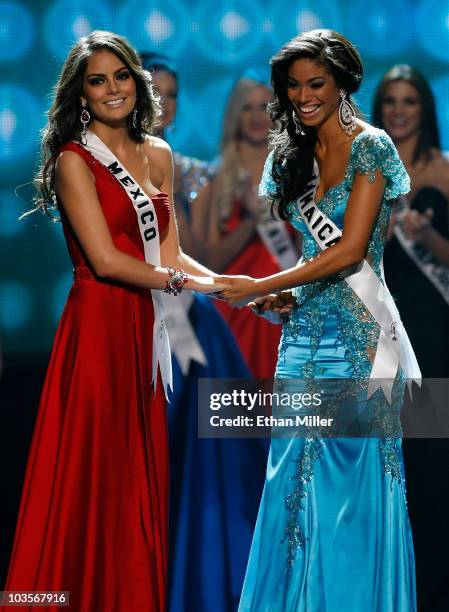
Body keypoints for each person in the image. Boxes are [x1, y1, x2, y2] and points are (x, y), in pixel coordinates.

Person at [2, 31, 224, 612]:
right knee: (87, 475)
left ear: (136, 80)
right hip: (98, 331)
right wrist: (202, 285)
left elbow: (170, 258)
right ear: (81, 94)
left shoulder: (159, 154)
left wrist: (235, 289)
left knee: (132, 477)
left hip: (143, 328)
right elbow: (105, 260)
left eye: (120, 75)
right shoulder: (74, 160)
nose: (112, 89)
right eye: (96, 80)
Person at [219, 30, 421, 611]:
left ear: (342, 84)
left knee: (350, 496)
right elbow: (314, 258)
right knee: (291, 487)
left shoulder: (373, 147)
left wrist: (264, 284)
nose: (304, 96)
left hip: (360, 345)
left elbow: (351, 250)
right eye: (294, 86)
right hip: (303, 339)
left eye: (316, 84)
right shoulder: (292, 153)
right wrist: (288, 300)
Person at [140, 53, 268, 612]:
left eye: (171, 94)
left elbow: (184, 252)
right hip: (143, 322)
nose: (162, 104)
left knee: (222, 463)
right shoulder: (92, 161)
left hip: (203, 323)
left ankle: (212, 580)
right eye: (154, 91)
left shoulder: (179, 167)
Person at [373, 65, 449, 610]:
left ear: (425, 109)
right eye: (390, 101)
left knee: (430, 467)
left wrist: (432, 239)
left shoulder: (445, 172)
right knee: (382, 466)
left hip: (435, 336)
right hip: (378, 339)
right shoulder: (362, 171)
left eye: (410, 101)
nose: (400, 111)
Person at [195, 71, 299, 378]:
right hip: (235, 308)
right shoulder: (217, 177)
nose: (257, 116)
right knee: (234, 411)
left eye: (265, 107)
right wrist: (250, 223)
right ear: (234, 114)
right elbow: (208, 260)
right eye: (247, 107)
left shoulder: (296, 172)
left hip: (281, 305)